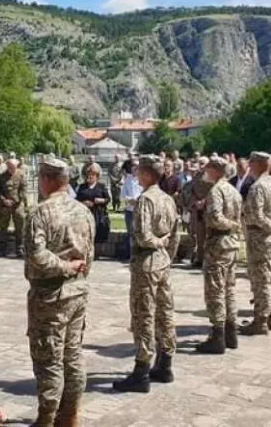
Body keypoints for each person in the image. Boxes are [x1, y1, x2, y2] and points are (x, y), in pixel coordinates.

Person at [24, 158, 95, 427]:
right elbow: (90, 256)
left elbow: (36, 256)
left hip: (50, 295)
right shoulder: (83, 211)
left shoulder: (41, 213)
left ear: (47, 179)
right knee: (72, 355)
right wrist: (75, 272)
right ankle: (70, 416)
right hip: (77, 292)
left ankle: (47, 419)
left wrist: (64, 267)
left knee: (49, 360)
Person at [113, 155, 180, 393]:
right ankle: (165, 363)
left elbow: (141, 235)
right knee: (165, 313)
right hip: (162, 263)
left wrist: (157, 243)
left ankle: (141, 371)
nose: (136, 175)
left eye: (139, 171)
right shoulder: (167, 199)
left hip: (147, 262)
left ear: (148, 174)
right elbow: (176, 235)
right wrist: (166, 253)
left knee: (144, 316)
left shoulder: (146, 199)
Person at [196, 157, 242, 355]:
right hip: (231, 244)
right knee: (229, 288)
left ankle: (218, 335)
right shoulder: (233, 190)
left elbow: (215, 218)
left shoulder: (217, 190)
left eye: (208, 168)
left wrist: (230, 224)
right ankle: (231, 332)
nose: (205, 171)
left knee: (215, 289)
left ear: (216, 170)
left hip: (219, 244)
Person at [240, 152, 271, 336]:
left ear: (258, 164)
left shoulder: (258, 186)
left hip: (261, 237)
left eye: (251, 162)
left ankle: (261, 320)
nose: (249, 165)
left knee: (261, 280)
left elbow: (256, 215)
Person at [0, 159, 28, 258]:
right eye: (9, 167)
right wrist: (4, 200)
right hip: (5, 205)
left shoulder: (21, 175)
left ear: (16, 166)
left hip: (17, 205)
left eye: (13, 167)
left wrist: (15, 201)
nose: (11, 169)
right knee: (3, 227)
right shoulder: (1, 176)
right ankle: (2, 249)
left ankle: (20, 248)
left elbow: (23, 190)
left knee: (20, 226)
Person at [77, 165, 111, 249]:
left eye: (92, 175)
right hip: (84, 214)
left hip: (97, 214)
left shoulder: (101, 186)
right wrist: (83, 203)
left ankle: (96, 251)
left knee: (97, 233)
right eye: (88, 175)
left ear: (97, 176)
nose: (90, 177)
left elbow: (108, 199)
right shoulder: (82, 187)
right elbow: (76, 200)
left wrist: (100, 201)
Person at [188, 156, 213, 267]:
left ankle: (209, 259)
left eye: (203, 163)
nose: (201, 165)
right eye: (200, 163)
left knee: (209, 235)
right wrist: (195, 202)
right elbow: (191, 191)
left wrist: (204, 201)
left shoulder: (212, 177)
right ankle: (200, 258)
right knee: (199, 235)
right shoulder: (197, 176)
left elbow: (214, 192)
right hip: (197, 210)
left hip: (209, 209)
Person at [120, 159, 142, 260]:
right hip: (129, 210)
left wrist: (138, 200)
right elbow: (122, 195)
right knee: (130, 233)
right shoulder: (127, 180)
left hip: (141, 210)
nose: (135, 168)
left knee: (141, 232)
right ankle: (131, 254)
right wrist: (130, 199)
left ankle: (140, 254)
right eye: (133, 166)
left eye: (137, 166)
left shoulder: (143, 179)